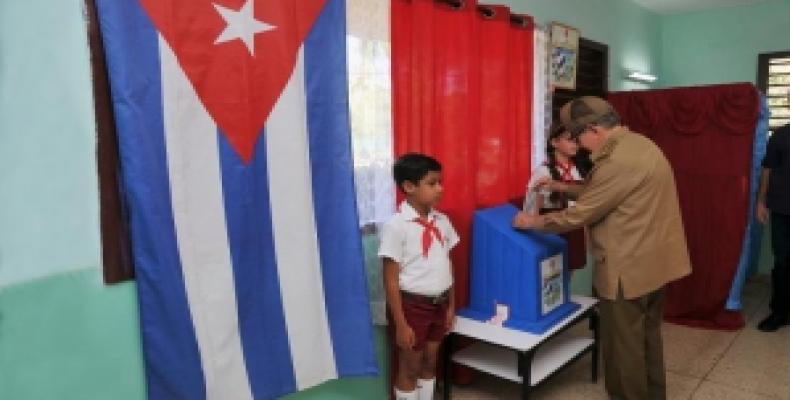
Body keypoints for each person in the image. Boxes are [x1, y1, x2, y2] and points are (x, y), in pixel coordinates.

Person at [512, 96, 692, 400]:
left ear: (594, 129)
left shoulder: (617, 161)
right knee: (646, 339)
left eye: (578, 137)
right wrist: (562, 186)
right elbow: (607, 190)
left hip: (627, 268)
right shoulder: (639, 145)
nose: (580, 145)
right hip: (653, 264)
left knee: (623, 350)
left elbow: (582, 214)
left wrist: (532, 222)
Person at [379, 153, 459, 400]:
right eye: (432, 183)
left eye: (440, 182)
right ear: (409, 187)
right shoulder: (396, 226)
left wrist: (451, 306)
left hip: (440, 303)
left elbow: (448, 264)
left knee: (430, 361)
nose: (440, 189)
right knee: (410, 367)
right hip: (412, 306)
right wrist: (401, 323)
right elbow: (390, 280)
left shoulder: (442, 221)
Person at [525, 124, 587, 270]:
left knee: (571, 269)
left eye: (577, 141)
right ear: (554, 142)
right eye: (570, 140)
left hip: (574, 226)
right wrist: (532, 226)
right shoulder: (543, 171)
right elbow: (533, 204)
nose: (574, 144)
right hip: (552, 227)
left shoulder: (578, 170)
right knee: (550, 274)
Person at [755, 88, 790, 332]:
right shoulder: (780, 135)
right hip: (782, 209)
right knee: (783, 260)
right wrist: (760, 201)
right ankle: (780, 312)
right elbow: (767, 169)